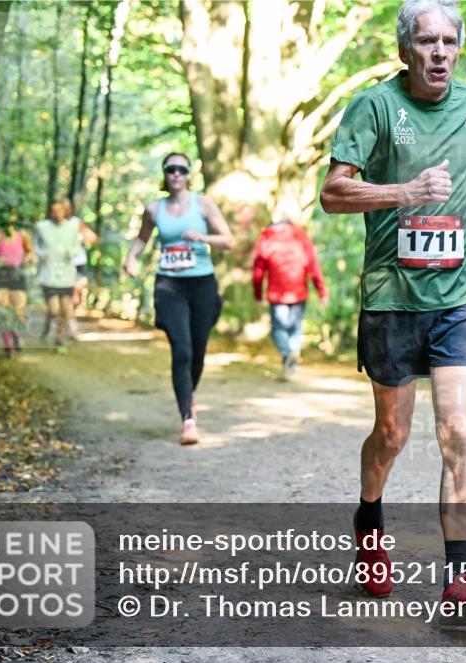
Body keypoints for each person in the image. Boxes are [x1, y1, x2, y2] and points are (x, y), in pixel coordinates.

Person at [319, 0, 466, 625]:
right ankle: (369, 517)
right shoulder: (374, 107)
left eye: (449, 40)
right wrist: (405, 193)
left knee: (459, 432)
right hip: (393, 295)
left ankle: (459, 580)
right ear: (405, 50)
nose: (439, 51)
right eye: (426, 41)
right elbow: (334, 192)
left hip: (461, 292)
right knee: (392, 435)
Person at [124, 152, 234, 445]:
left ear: (188, 175)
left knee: (197, 352)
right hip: (169, 286)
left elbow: (229, 240)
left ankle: (189, 394)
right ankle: (188, 419)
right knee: (182, 350)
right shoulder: (153, 208)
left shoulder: (203, 204)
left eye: (181, 169)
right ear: (165, 174)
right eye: (170, 169)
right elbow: (142, 238)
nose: (175, 174)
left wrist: (204, 238)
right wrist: (131, 258)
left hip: (202, 286)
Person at [251, 200, 328, 380]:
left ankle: (287, 354)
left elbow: (258, 269)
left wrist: (257, 293)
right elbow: (313, 265)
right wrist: (321, 291)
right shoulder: (301, 235)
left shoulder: (267, 236)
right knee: (295, 328)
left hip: (277, 293)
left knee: (278, 328)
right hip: (298, 290)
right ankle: (292, 359)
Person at [0, 215, 33, 356]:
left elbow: (30, 252)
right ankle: (8, 345)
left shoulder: (22, 235)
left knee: (18, 313)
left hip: (17, 276)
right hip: (0, 276)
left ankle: (15, 333)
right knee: (4, 312)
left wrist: (26, 259)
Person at [35, 202, 83, 352]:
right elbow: (34, 245)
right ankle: (47, 326)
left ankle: (59, 338)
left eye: (59, 210)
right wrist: (41, 254)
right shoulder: (42, 227)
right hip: (48, 275)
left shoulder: (72, 228)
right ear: (50, 212)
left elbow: (77, 247)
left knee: (66, 310)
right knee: (54, 309)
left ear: (65, 211)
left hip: (67, 275)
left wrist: (71, 252)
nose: (57, 213)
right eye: (53, 210)